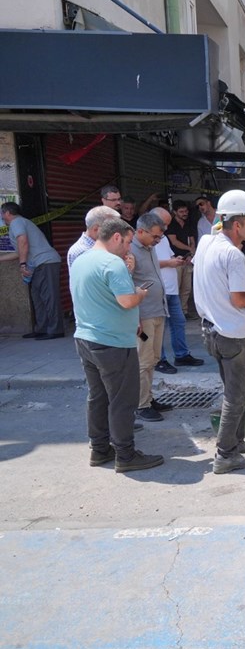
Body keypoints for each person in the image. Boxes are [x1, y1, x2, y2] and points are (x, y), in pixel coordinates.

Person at [194, 189, 245, 474]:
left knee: (235, 391)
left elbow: (215, 229)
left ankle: (237, 441)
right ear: (237, 223)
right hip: (234, 334)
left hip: (212, 331)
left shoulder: (206, 243)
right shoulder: (233, 256)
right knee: (237, 395)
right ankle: (225, 454)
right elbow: (240, 299)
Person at [70, 217, 163, 472]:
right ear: (117, 237)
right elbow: (126, 301)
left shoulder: (81, 259)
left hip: (86, 339)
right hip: (112, 344)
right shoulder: (113, 263)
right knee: (123, 400)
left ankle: (99, 450)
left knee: (98, 397)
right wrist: (140, 295)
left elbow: (98, 298)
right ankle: (126, 454)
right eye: (128, 243)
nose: (129, 249)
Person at [130, 210, 175, 423]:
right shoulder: (130, 250)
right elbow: (127, 284)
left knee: (154, 358)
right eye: (155, 236)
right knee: (144, 360)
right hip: (144, 315)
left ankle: (147, 398)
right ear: (141, 231)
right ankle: (141, 404)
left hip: (158, 311)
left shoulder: (149, 248)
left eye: (160, 237)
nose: (158, 241)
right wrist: (135, 316)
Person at [2, 202, 65, 340]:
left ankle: (56, 329)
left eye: (2, 214)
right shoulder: (20, 223)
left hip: (45, 262)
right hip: (38, 264)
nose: (2, 217)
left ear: (7, 213)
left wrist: (23, 265)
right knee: (37, 297)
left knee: (49, 297)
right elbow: (20, 251)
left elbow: (23, 242)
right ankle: (41, 328)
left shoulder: (16, 222)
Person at [153, 208, 204, 374]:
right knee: (157, 327)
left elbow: (168, 257)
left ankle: (181, 355)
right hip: (158, 291)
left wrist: (178, 260)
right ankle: (158, 359)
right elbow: (146, 263)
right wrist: (169, 263)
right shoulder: (146, 240)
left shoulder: (163, 239)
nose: (166, 229)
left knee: (179, 322)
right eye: (163, 225)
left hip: (171, 289)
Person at [165, 199, 198, 319]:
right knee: (176, 287)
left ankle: (184, 311)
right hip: (175, 260)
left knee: (187, 288)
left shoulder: (188, 223)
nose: (185, 213)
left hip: (187, 259)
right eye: (181, 211)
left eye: (186, 211)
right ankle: (174, 313)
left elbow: (192, 239)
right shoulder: (171, 224)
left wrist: (191, 253)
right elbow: (174, 242)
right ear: (175, 212)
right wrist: (190, 249)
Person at [68, 205, 122, 271]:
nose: (115, 233)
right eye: (111, 228)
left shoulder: (100, 247)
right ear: (96, 229)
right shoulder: (83, 251)